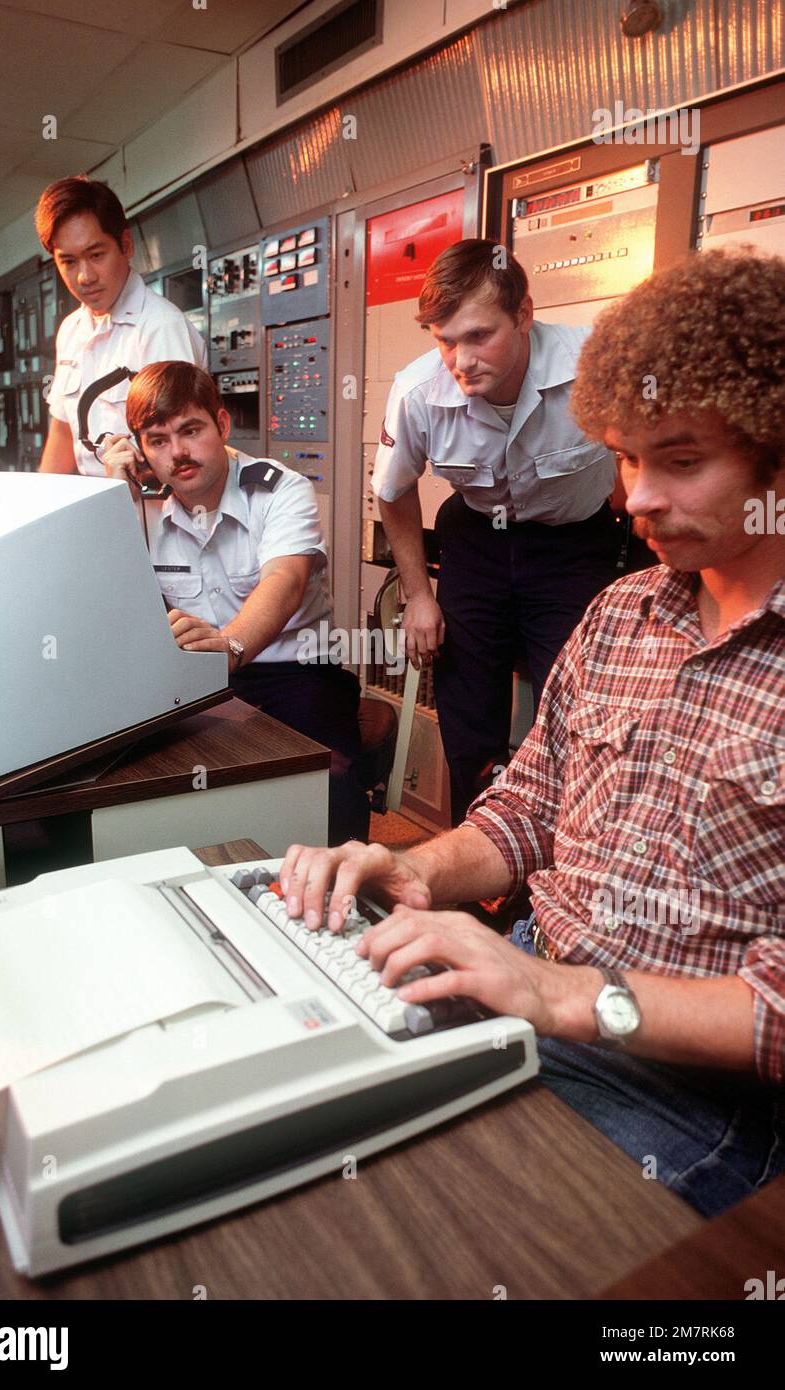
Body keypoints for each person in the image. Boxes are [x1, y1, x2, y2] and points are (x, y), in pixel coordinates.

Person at [277, 247, 785, 1218]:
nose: (633, 496)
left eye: (678, 460)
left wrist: (559, 995)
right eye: (625, 458)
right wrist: (423, 871)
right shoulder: (622, 612)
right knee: (301, 1127)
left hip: (687, 1095)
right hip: (535, 990)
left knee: (429, 1224)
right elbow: (531, 800)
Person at [373, 239, 651, 824]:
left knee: (580, 712)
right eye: (445, 340)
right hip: (476, 540)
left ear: (524, 315)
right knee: (469, 714)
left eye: (479, 336)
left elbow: (646, 452)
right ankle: (476, 873)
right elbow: (392, 490)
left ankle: (561, 869)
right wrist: (419, 594)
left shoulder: (596, 364)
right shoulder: (418, 391)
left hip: (574, 543)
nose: (461, 360)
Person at [102, 360, 371, 847]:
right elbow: (108, 611)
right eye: (157, 440)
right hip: (194, 681)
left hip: (298, 674)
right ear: (140, 450)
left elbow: (285, 582)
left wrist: (230, 645)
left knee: (328, 786)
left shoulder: (279, 490)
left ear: (222, 425)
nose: (178, 452)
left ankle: (347, 893)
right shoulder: (137, 507)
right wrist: (113, 502)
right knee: (136, 783)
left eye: (191, 430)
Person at [34, 176, 207, 476]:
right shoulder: (71, 330)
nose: (84, 276)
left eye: (96, 255)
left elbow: (182, 451)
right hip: (97, 508)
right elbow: (62, 433)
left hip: (152, 511)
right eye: (69, 262)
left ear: (125, 246)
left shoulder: (160, 326)